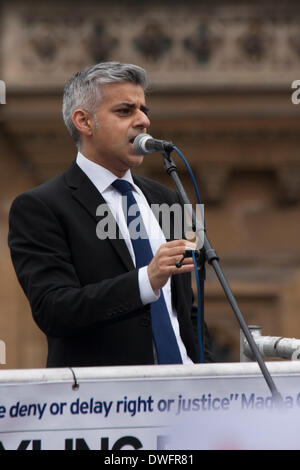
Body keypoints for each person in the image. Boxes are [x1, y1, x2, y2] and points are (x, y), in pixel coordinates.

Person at [8, 61, 213, 367]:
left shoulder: (168, 198)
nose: (143, 120)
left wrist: (207, 370)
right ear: (84, 122)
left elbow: (186, 308)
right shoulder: (40, 207)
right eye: (125, 111)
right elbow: (54, 310)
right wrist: (147, 279)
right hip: (108, 404)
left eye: (144, 110)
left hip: (188, 397)